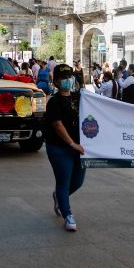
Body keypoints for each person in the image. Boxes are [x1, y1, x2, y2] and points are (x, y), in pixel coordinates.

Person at [45, 63, 86, 232]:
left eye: (69, 77)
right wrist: (72, 144)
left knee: (77, 182)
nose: (66, 81)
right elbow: (57, 124)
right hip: (60, 148)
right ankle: (67, 214)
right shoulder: (54, 102)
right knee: (64, 181)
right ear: (55, 82)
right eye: (62, 78)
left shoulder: (79, 97)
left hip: (80, 148)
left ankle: (59, 198)